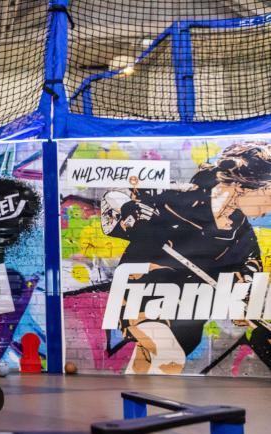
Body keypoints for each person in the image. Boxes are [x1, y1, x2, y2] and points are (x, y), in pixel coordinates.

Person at [101, 141, 271, 374]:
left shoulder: (242, 236)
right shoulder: (178, 197)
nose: (270, 206)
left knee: (151, 359)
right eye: (269, 194)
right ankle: (155, 409)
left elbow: (249, 276)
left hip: (187, 309)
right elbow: (114, 195)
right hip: (144, 294)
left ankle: (133, 407)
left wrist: (244, 304)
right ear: (247, 186)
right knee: (168, 356)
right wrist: (130, 207)